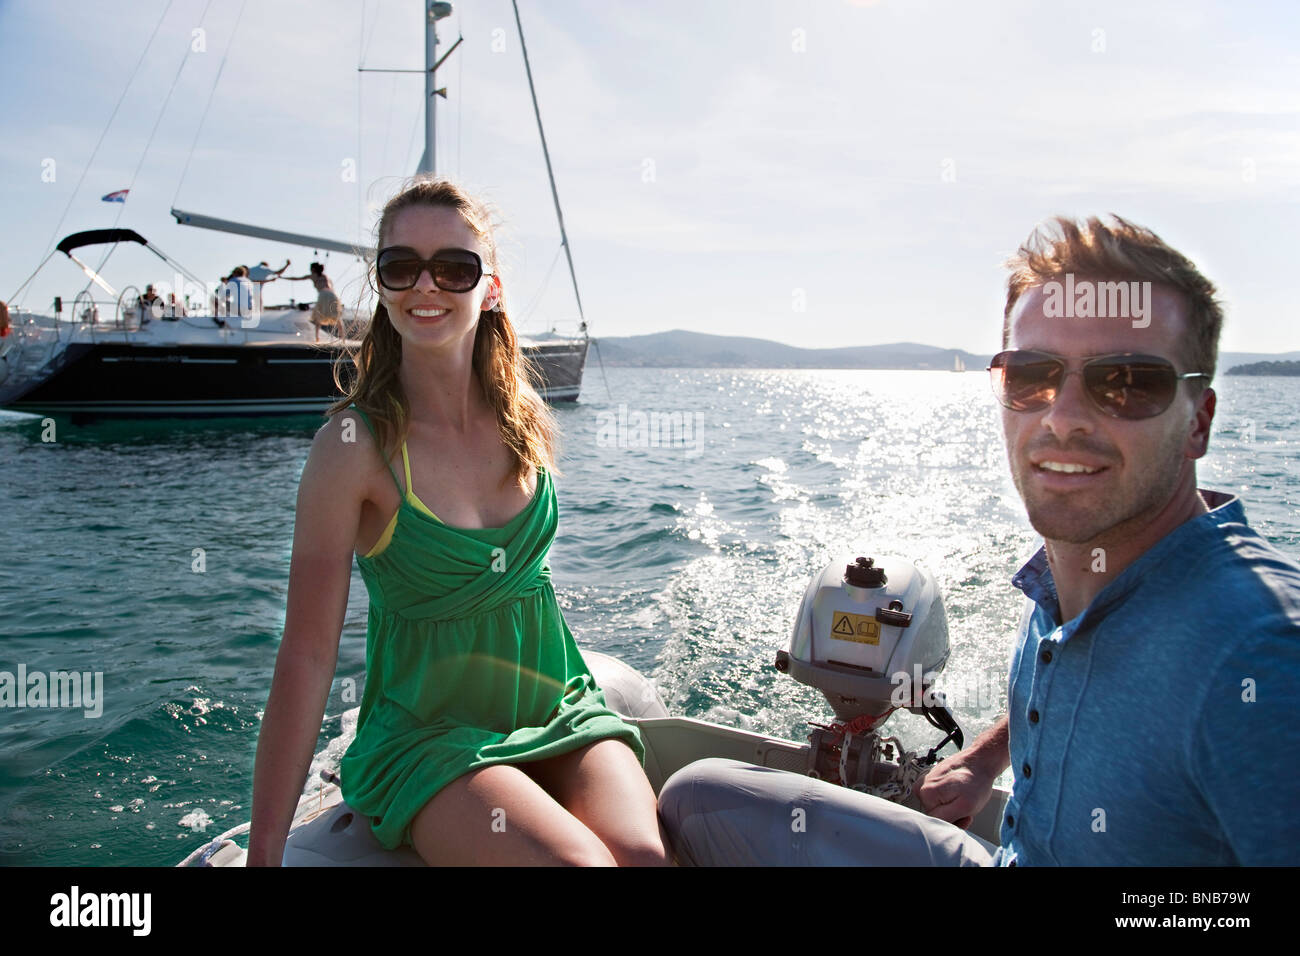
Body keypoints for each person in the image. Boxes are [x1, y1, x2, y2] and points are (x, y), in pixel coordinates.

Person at [658, 214, 1300, 866]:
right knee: (696, 797)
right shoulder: (1072, 579)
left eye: (1128, 382)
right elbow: (1087, 680)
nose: (1064, 417)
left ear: (1200, 422)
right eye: (1032, 375)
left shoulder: (1260, 653)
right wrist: (986, 759)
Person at [247, 176, 669, 867]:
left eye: (453, 267)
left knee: (645, 859)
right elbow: (308, 652)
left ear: (491, 288)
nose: (426, 286)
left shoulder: (524, 417)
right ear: (380, 284)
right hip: (430, 736)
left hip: (556, 700)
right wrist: (264, 853)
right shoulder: (354, 448)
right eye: (401, 266)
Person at [284, 261, 341, 342]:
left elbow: (298, 278)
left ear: (313, 269)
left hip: (323, 295)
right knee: (336, 316)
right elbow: (330, 286)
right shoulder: (325, 276)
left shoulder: (312, 276)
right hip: (332, 295)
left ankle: (317, 338)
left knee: (319, 316)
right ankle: (342, 338)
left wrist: (283, 278)